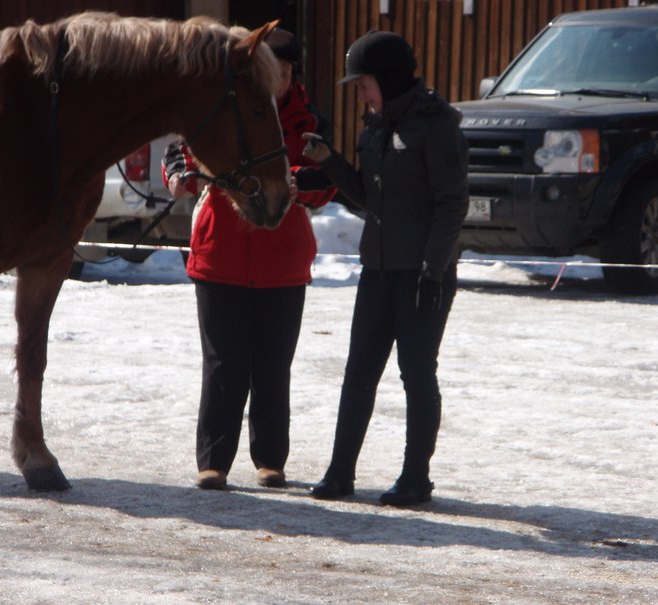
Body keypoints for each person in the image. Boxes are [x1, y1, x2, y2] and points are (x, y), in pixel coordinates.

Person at [162, 28, 335, 491]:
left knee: (273, 365)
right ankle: (214, 461)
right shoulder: (226, 107)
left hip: (283, 262)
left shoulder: (309, 122)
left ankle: (270, 459)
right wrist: (180, 174)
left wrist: (298, 181)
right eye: (269, 71)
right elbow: (180, 151)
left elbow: (329, 178)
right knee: (222, 363)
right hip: (220, 254)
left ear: (293, 73)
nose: (276, 79)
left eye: (283, 72)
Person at [302, 30, 468, 506]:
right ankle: (340, 473)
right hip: (377, 269)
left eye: (364, 83)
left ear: (389, 80)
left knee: (416, 374)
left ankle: (416, 478)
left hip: (421, 274)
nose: (360, 93)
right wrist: (330, 162)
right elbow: (365, 198)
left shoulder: (436, 126)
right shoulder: (374, 126)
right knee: (359, 371)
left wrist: (433, 270)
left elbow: (452, 204)